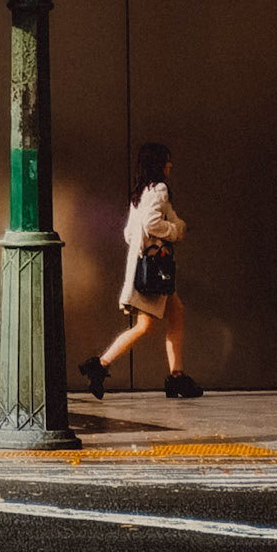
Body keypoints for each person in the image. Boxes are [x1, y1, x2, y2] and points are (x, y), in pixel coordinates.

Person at [78, 141, 203, 401]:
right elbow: (152, 223)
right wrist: (176, 231)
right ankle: (100, 365)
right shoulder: (159, 189)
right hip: (154, 271)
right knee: (145, 326)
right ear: (159, 163)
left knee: (176, 313)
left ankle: (177, 377)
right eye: (167, 159)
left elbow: (129, 233)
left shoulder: (140, 193)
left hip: (142, 268)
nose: (170, 164)